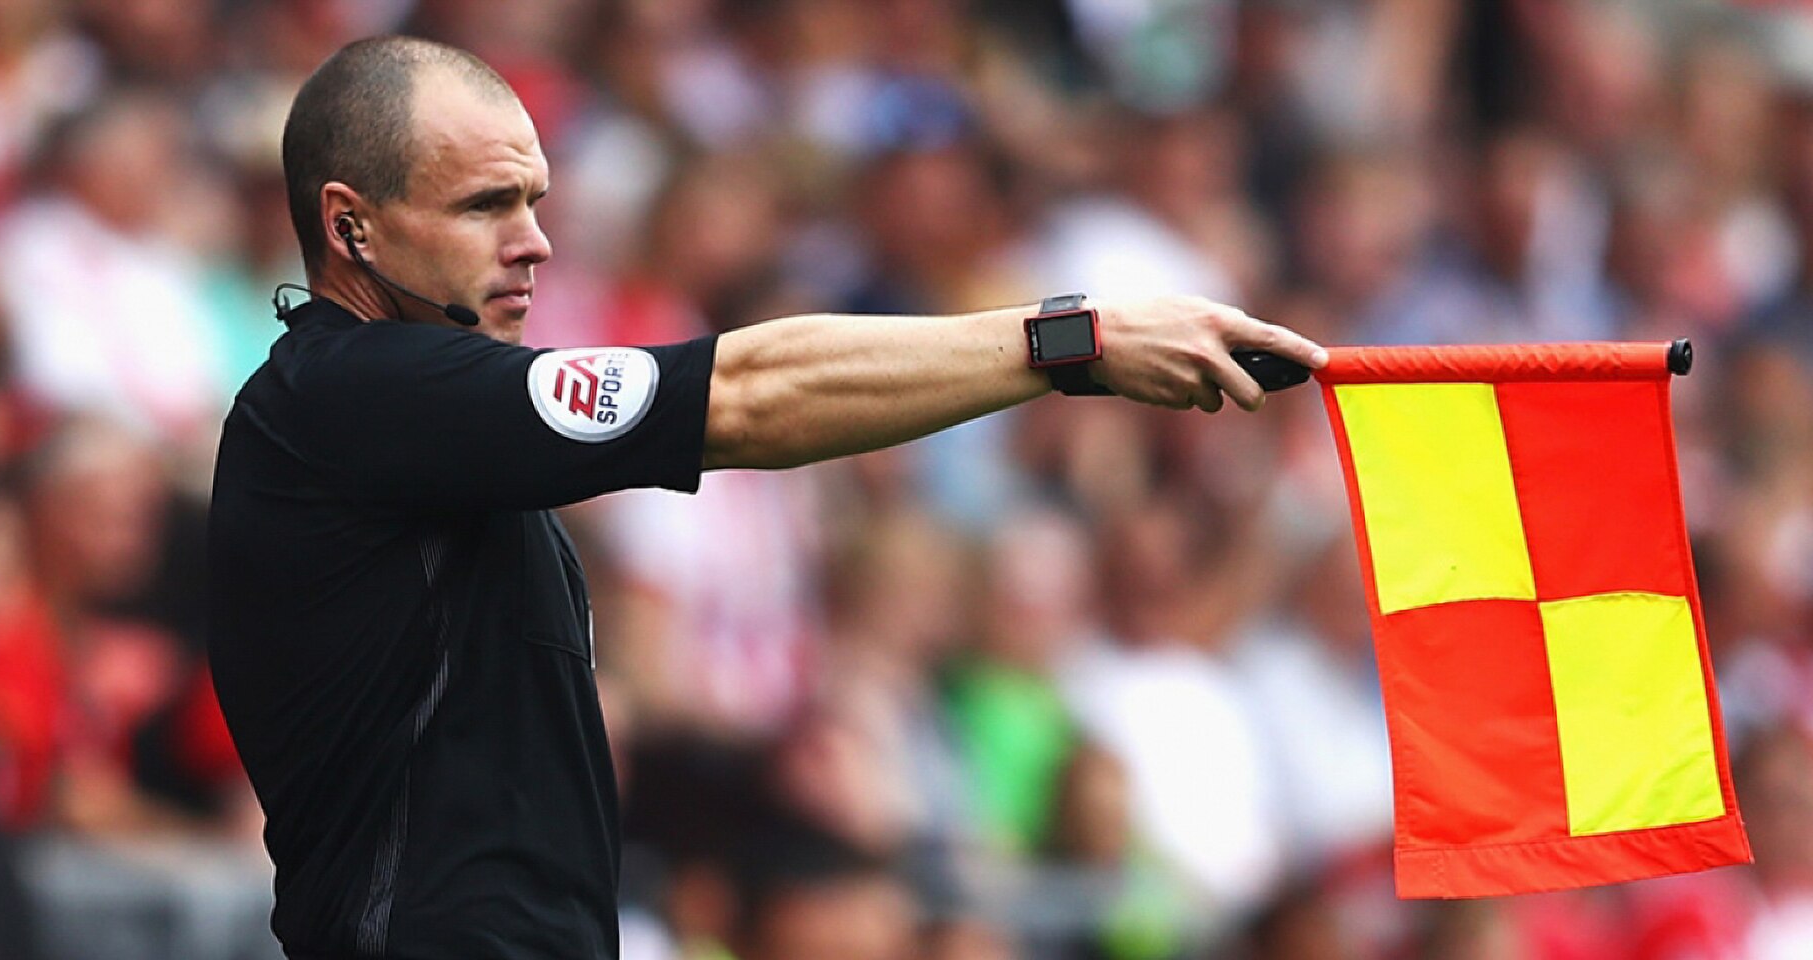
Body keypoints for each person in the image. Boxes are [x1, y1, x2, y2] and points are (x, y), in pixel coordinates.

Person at [206, 34, 1327, 960]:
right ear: (351, 226)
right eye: (487, 205)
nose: (536, 242)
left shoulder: (425, 442)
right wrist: (1073, 342)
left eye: (537, 201)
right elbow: (742, 394)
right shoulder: (345, 396)